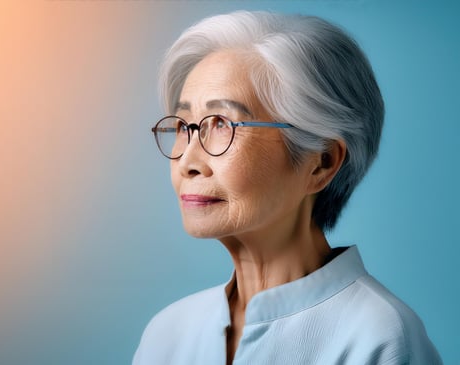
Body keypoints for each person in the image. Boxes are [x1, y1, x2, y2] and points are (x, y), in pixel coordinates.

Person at [133, 10, 441, 365]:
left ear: (322, 162)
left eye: (221, 124)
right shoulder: (167, 334)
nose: (188, 161)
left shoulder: (382, 339)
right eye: (185, 125)